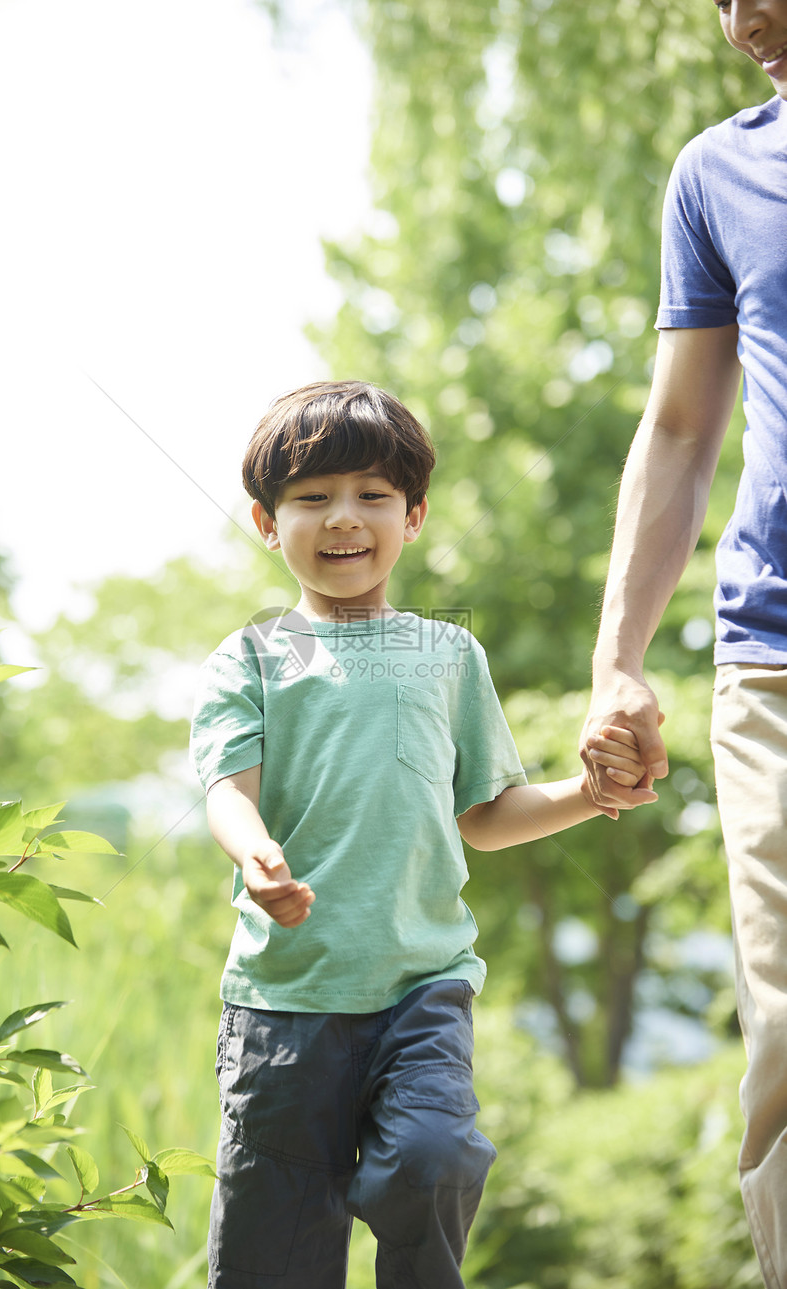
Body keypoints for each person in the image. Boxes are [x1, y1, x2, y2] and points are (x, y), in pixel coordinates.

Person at [191, 380, 655, 1289]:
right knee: (270, 1258)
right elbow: (225, 791)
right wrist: (255, 855)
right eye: (312, 498)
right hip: (285, 1003)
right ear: (264, 519)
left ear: (415, 516)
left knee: (432, 1157)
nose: (343, 519)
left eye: (372, 495)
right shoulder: (247, 657)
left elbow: (484, 816)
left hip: (421, 990)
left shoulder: (449, 654)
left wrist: (588, 792)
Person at [578, 3, 787, 1284]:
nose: (736, 19)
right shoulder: (717, 171)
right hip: (772, 656)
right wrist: (618, 656)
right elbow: (675, 430)